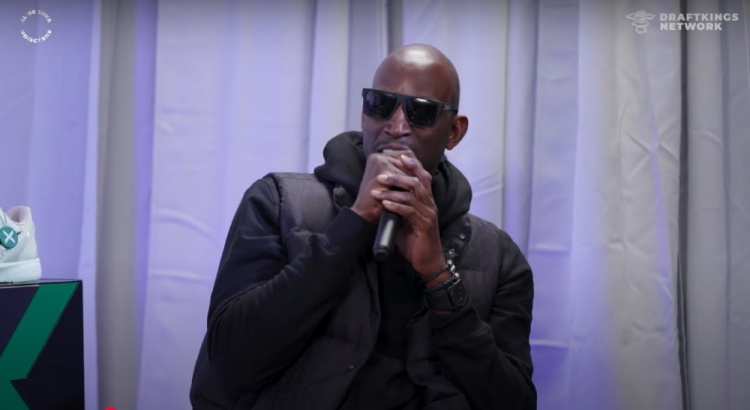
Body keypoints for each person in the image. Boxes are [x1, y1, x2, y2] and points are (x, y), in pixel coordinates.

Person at [190, 44, 536, 410]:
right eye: (380, 105)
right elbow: (230, 364)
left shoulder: (499, 257)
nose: (397, 127)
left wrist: (438, 276)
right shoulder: (278, 203)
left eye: (421, 112)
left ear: (454, 131)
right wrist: (351, 227)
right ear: (363, 113)